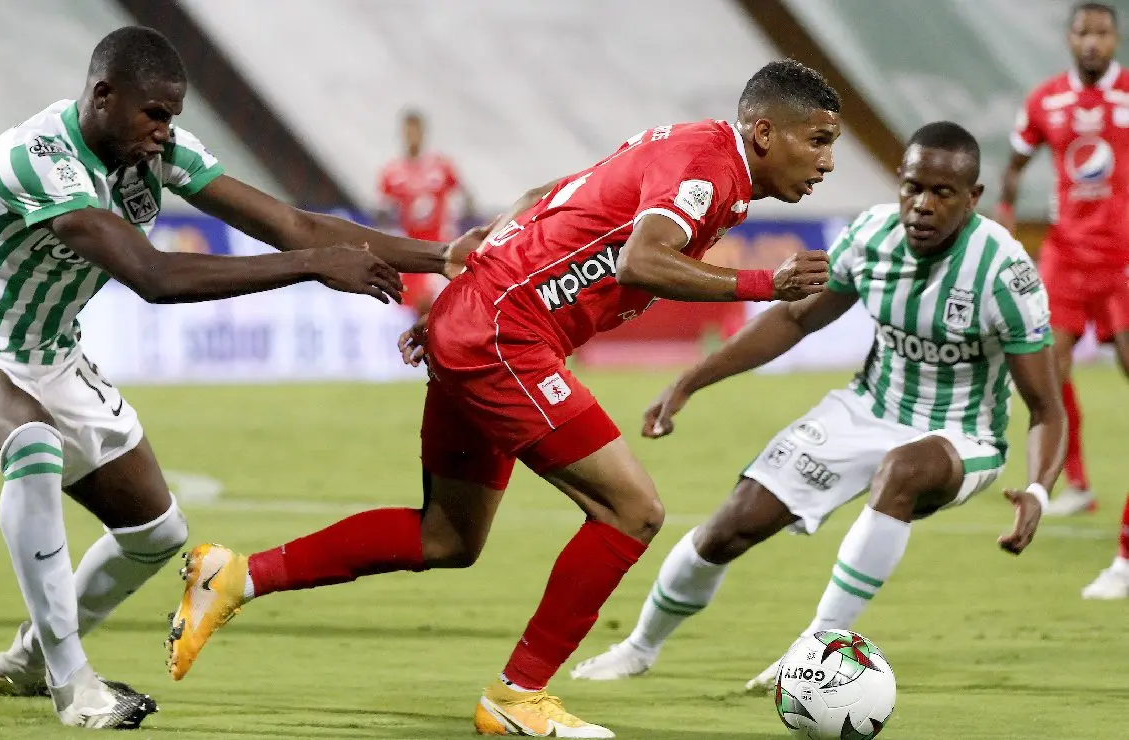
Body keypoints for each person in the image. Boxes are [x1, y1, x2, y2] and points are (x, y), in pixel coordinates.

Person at [166, 59, 840, 738]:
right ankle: (517, 696)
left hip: (485, 318)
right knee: (631, 510)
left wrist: (468, 290)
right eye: (817, 140)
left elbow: (546, 194)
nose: (828, 162)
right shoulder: (710, 169)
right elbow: (642, 259)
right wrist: (761, 283)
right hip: (506, 336)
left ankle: (234, 577)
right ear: (762, 133)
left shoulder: (691, 146)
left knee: (448, 535)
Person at [0, 26, 475, 730]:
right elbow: (153, 276)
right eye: (154, 114)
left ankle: (24, 658)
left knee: (157, 530)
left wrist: (444, 257)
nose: (165, 132)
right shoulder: (38, 158)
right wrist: (309, 268)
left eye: (173, 116)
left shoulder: (156, 151)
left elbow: (290, 223)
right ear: (103, 95)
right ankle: (70, 680)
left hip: (51, 353)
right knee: (32, 442)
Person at [571, 122, 1065, 693]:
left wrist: (1038, 490)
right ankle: (638, 647)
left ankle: (816, 650)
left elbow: (1046, 408)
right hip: (865, 410)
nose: (922, 206)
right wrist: (691, 381)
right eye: (912, 187)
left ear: (973, 199)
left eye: (943, 193)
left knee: (901, 470)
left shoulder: (1004, 273)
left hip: (962, 436)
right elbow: (797, 318)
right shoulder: (872, 237)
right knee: (730, 527)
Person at [997, 2, 1128, 524]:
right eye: (1083, 33)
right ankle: (1075, 483)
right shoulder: (1045, 100)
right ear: (1070, 39)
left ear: (1115, 40)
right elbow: (1014, 165)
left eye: (1103, 33)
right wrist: (1005, 214)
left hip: (1122, 260)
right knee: (1048, 370)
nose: (1093, 42)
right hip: (1066, 256)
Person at [377, 108, 475, 319]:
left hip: (440, 249)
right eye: (407, 132)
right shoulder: (392, 172)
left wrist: (458, 225)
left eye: (415, 131)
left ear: (423, 133)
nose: (412, 137)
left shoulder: (441, 167)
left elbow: (467, 199)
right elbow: (383, 212)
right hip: (409, 252)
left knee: (438, 309)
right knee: (411, 311)